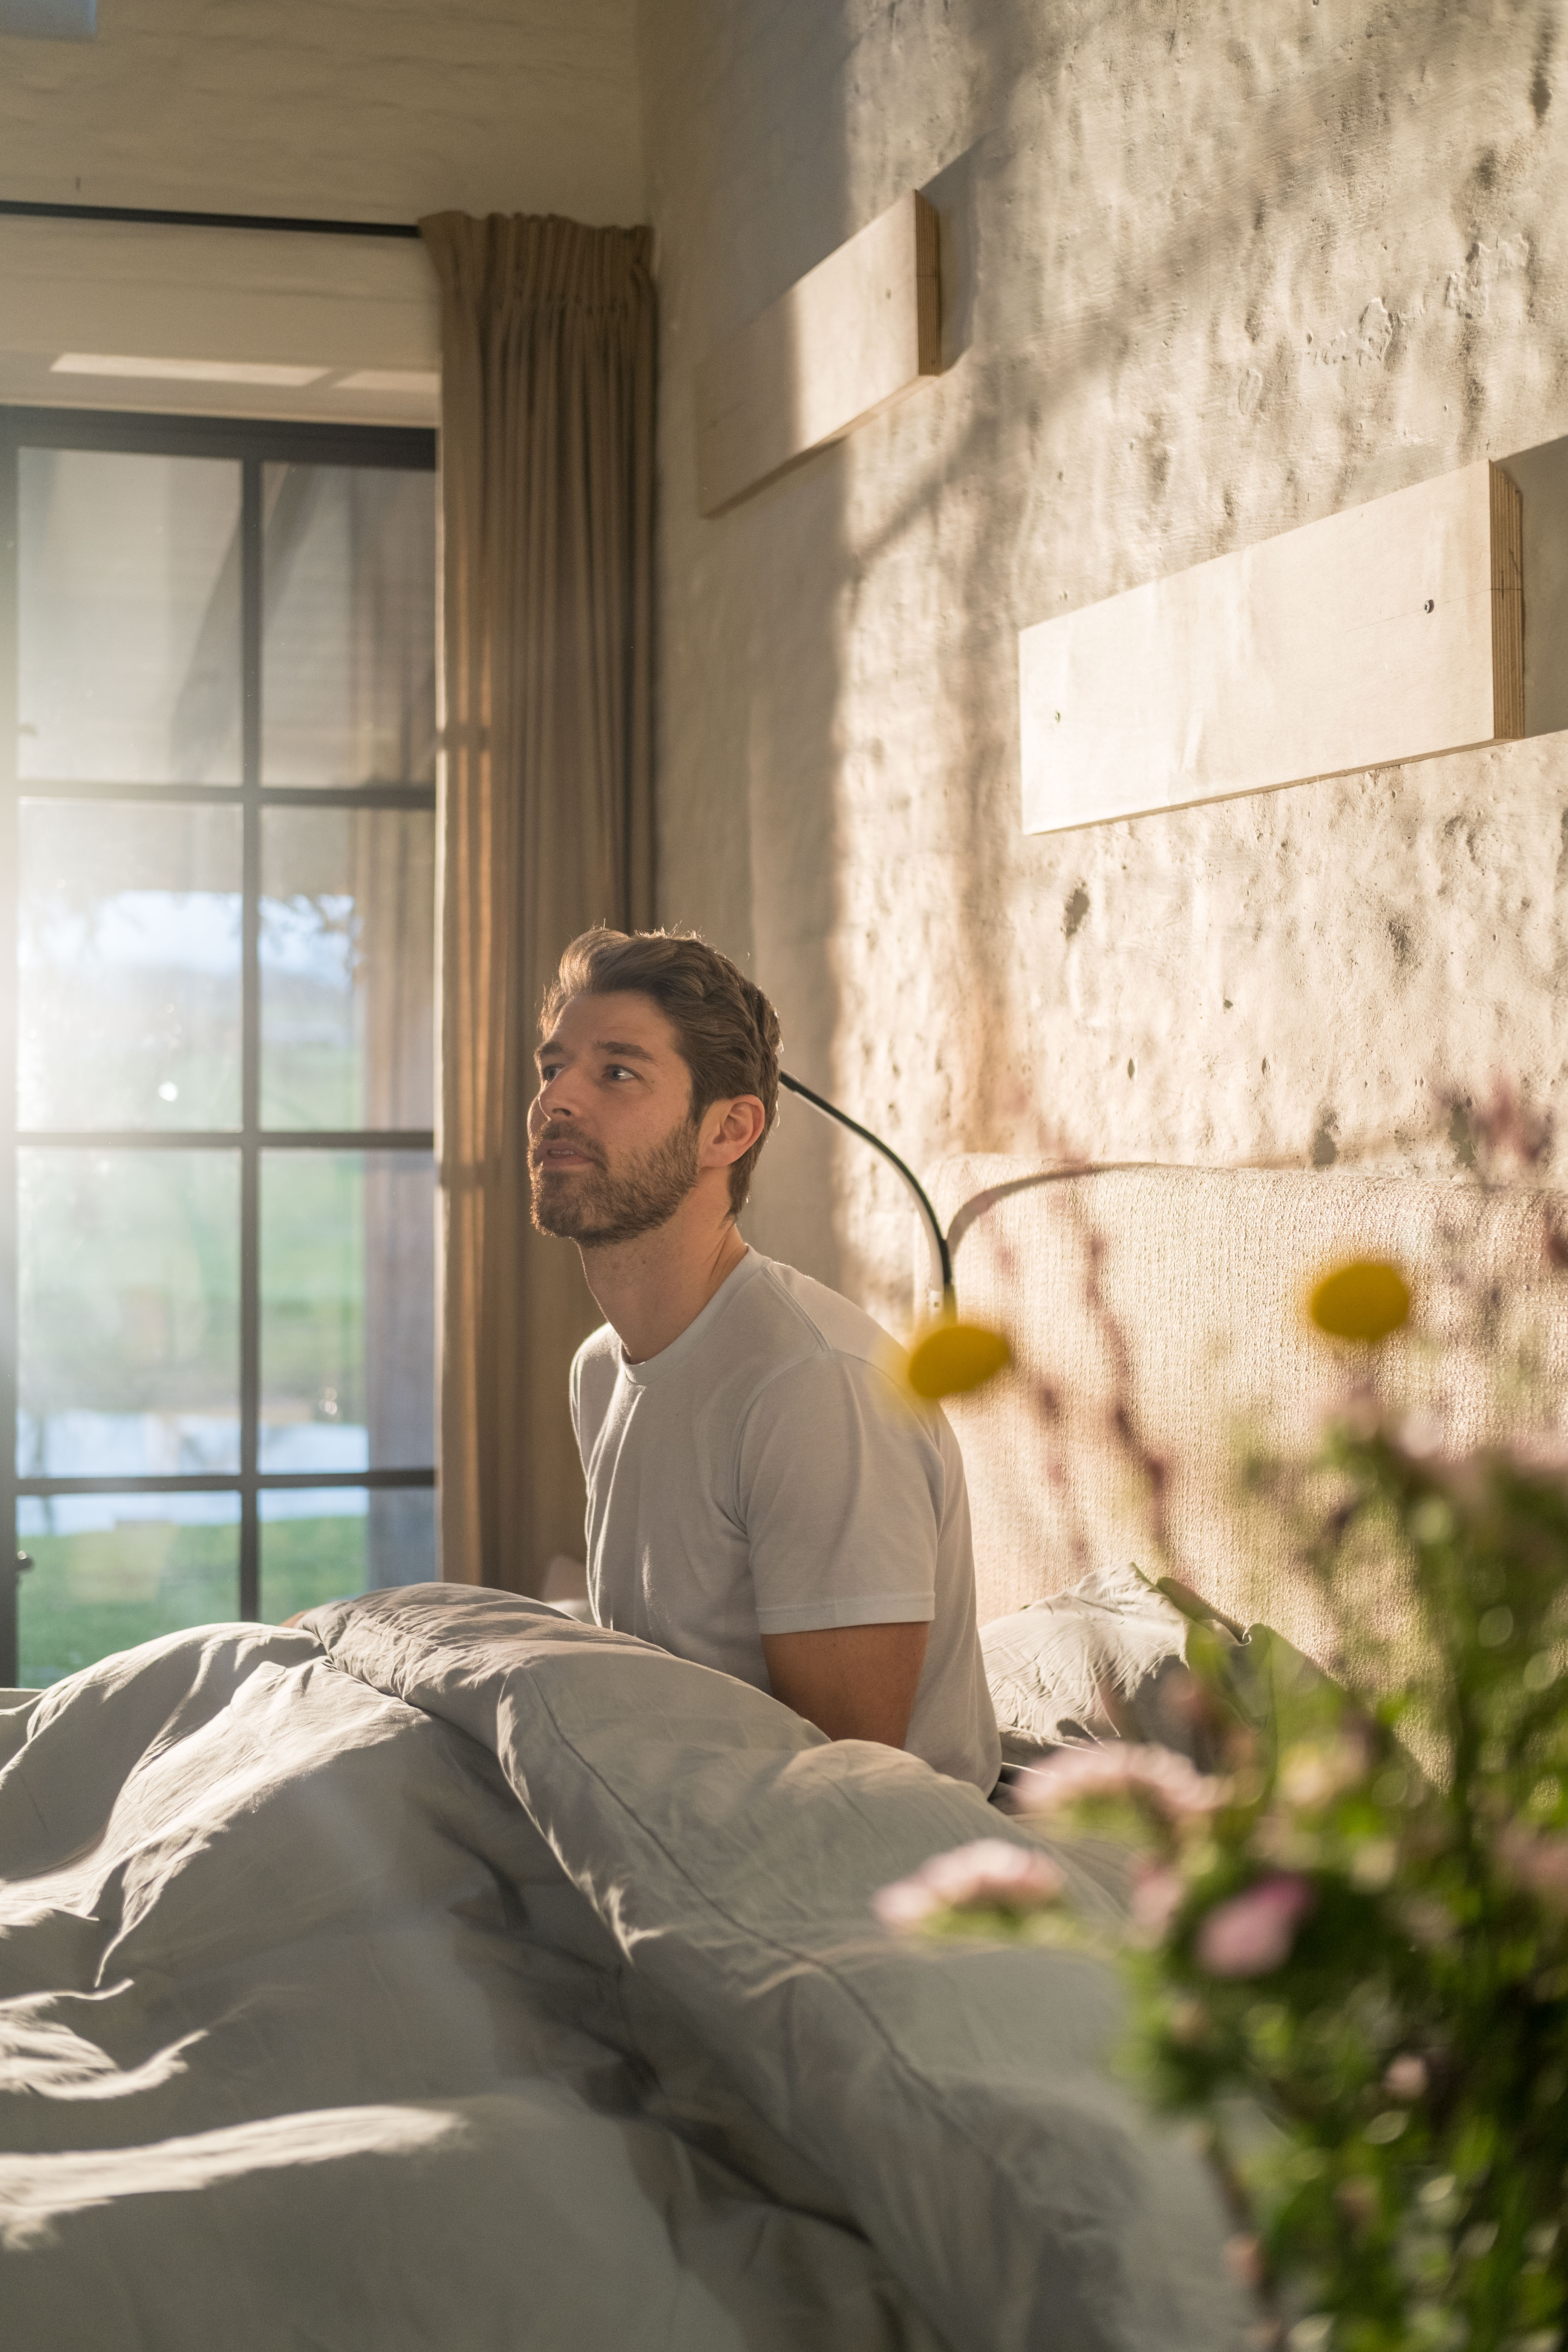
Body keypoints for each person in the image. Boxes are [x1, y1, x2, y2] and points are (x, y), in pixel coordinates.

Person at [530, 926, 1000, 1795]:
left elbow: (854, 1781)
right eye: (552, 1067)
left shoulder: (817, 1388)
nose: (558, 1099)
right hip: (663, 1808)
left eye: (617, 1071)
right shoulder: (599, 1370)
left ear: (729, 1130)